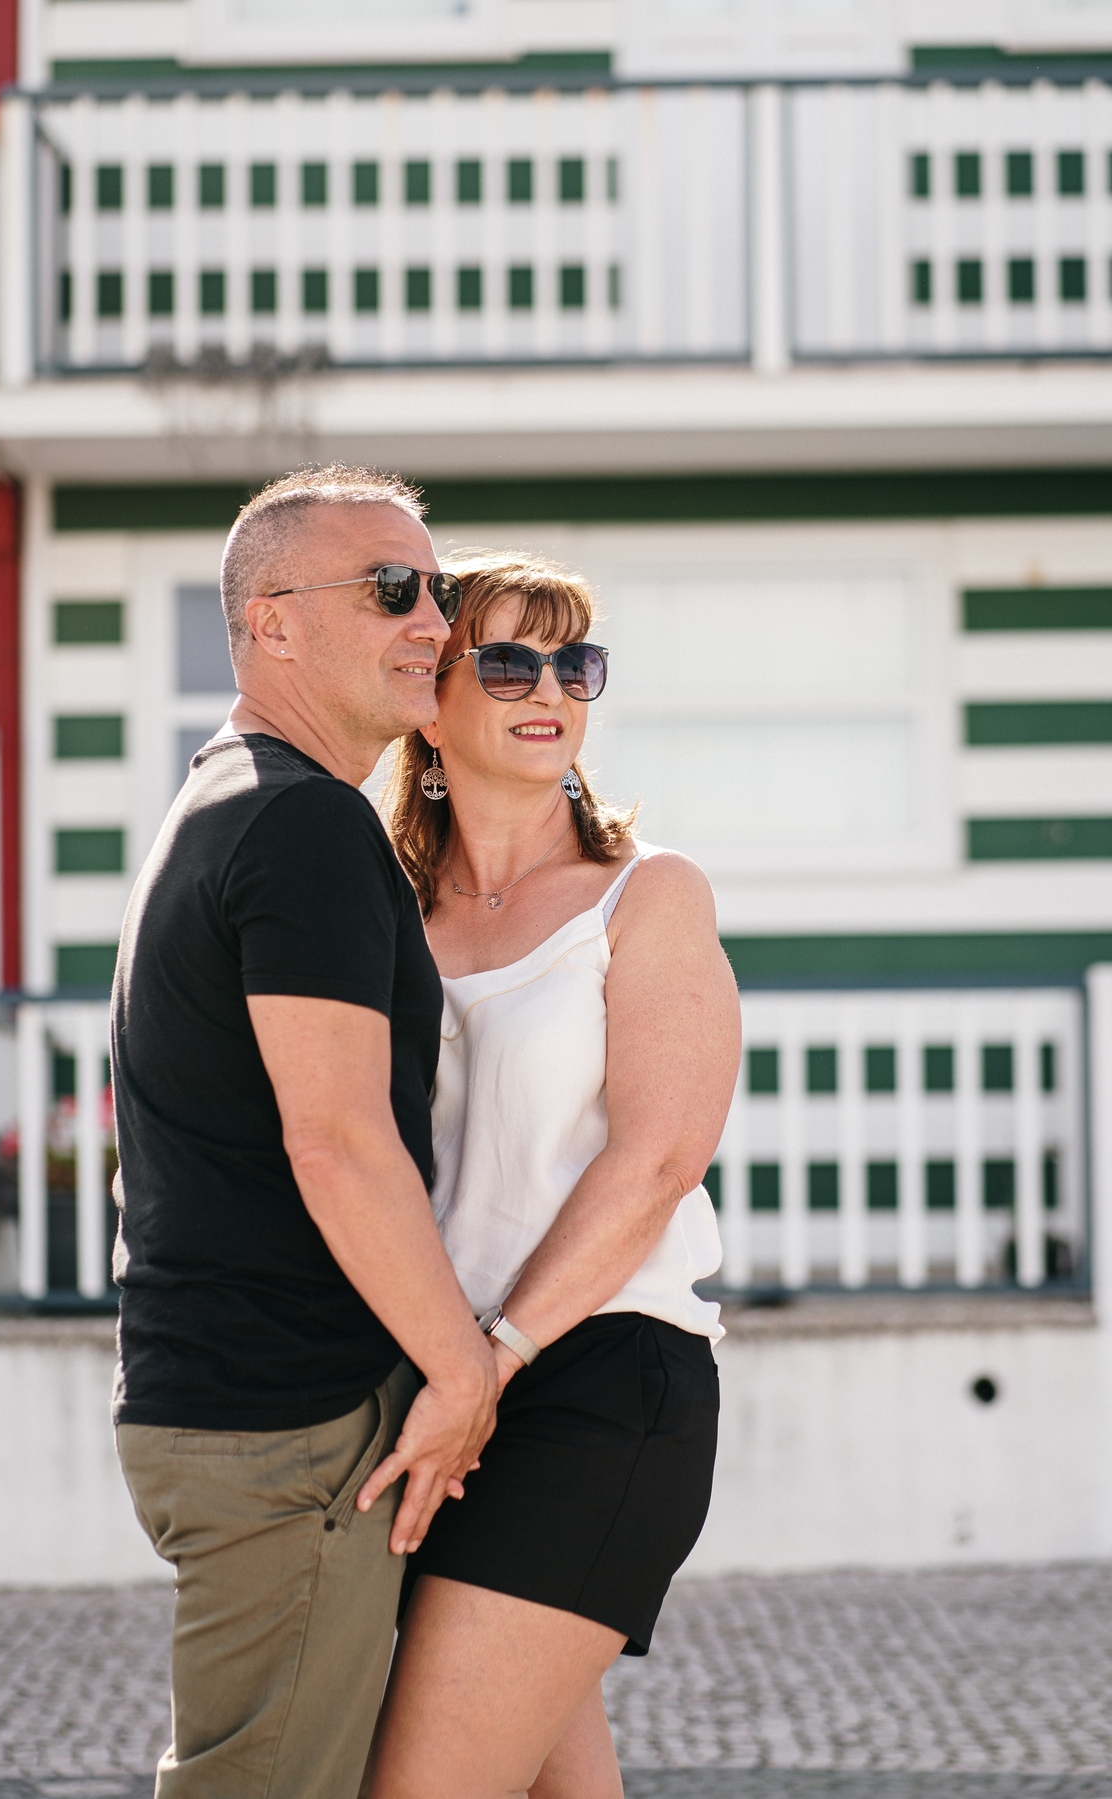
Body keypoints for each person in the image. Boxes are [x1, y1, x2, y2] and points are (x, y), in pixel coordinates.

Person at [110, 466, 498, 1799]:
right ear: (271, 621)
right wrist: (464, 1373)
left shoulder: (231, 801)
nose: (434, 621)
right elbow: (334, 1140)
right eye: (392, 587)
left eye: (436, 589)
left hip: (243, 1407)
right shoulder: (301, 821)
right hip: (292, 1423)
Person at [367, 552, 742, 1799]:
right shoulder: (384, 917)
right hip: (439, 1384)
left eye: (574, 662)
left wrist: (500, 1355)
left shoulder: (646, 894)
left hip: (595, 1374)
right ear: (430, 700)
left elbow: (659, 1158)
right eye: (511, 660)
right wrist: (452, 1367)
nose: (551, 689)